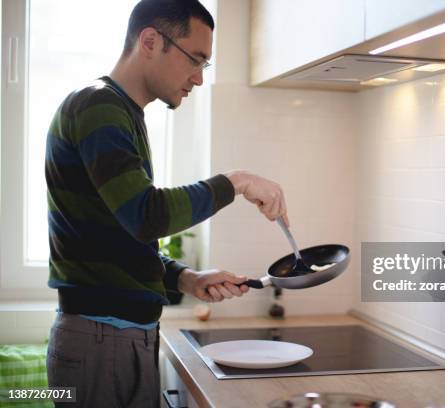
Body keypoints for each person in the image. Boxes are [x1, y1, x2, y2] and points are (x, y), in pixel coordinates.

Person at [44, 0, 288, 406]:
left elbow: (118, 236)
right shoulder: (99, 106)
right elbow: (145, 215)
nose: (198, 78)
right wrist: (237, 182)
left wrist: (185, 279)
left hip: (115, 336)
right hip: (102, 340)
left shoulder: (122, 113)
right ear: (151, 41)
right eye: (196, 59)